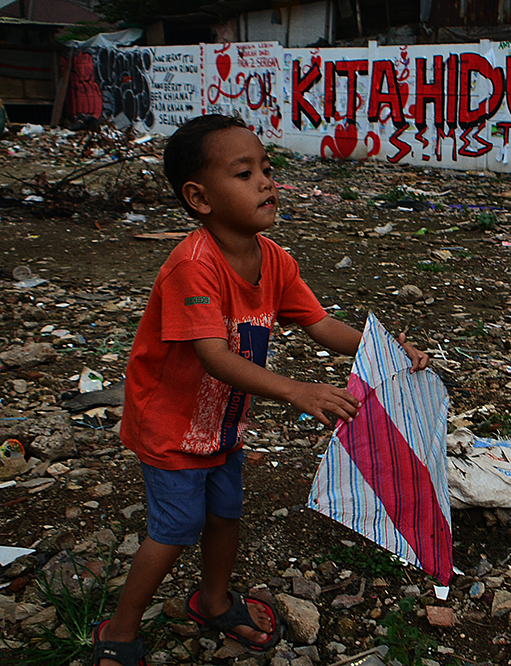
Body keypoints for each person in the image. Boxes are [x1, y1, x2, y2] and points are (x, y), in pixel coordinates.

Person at [92, 114, 430, 666]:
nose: (267, 182)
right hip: (171, 426)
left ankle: (214, 600)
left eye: (267, 169)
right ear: (200, 198)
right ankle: (122, 627)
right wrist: (300, 391)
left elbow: (321, 325)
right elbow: (214, 355)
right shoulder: (193, 267)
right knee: (175, 529)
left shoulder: (275, 260)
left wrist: (388, 348)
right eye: (245, 173)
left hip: (224, 425)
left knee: (226, 513)